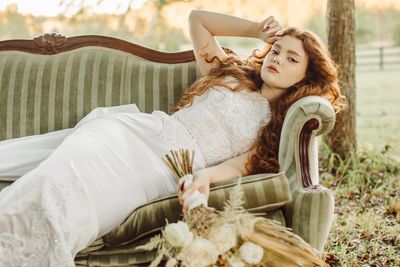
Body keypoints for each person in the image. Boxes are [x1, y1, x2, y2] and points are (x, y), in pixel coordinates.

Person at [0, 9, 344, 267]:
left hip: (165, 169)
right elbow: (198, 20)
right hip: (132, 134)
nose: (277, 59)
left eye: (291, 58)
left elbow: (240, 165)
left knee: (78, 196)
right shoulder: (229, 72)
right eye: (276, 50)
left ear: (305, 76)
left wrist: (203, 178)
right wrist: (256, 29)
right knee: (62, 168)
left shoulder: (275, 125)